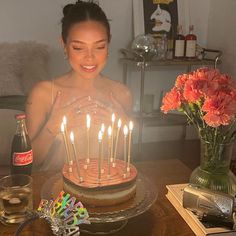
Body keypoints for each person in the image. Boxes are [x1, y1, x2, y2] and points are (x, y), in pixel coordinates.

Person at [26, 0, 132, 171]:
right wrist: (52, 127)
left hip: (102, 190)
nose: (89, 58)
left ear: (108, 44)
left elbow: (120, 161)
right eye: (78, 48)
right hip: (58, 194)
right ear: (64, 45)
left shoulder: (121, 93)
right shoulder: (44, 93)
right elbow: (28, 163)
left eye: (99, 47)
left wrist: (123, 126)